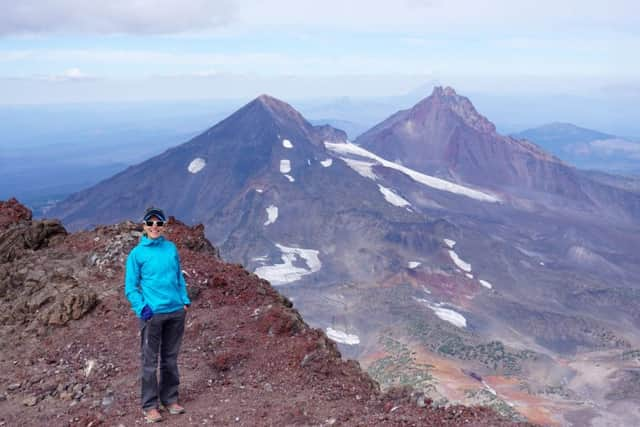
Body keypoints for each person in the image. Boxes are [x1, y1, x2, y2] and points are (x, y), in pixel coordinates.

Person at [124, 207, 191, 423]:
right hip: (152, 315)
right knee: (150, 362)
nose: (154, 227)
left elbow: (178, 277)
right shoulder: (137, 254)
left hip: (175, 312)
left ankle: (170, 400)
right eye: (150, 223)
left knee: (170, 359)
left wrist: (184, 300)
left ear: (163, 226)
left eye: (159, 223)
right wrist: (142, 308)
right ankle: (150, 406)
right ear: (144, 226)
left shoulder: (171, 248)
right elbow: (130, 287)